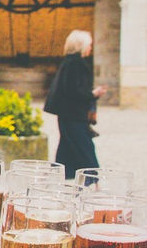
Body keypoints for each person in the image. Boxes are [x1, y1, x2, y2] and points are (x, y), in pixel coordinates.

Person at [42, 29, 104, 177]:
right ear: (81, 45)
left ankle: (60, 176)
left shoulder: (70, 62)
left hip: (68, 113)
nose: (90, 48)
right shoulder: (76, 63)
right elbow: (72, 90)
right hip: (73, 114)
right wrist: (93, 94)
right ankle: (91, 178)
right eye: (89, 45)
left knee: (67, 147)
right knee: (84, 147)